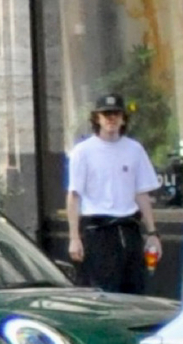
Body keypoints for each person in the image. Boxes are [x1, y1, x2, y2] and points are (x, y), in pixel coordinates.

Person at [66, 92, 161, 293]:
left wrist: (152, 233)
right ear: (97, 119)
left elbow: (141, 193)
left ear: (123, 118)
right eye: (106, 114)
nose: (111, 119)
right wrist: (74, 237)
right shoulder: (83, 152)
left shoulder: (134, 150)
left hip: (129, 229)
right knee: (103, 292)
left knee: (135, 289)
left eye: (116, 114)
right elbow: (74, 196)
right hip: (98, 232)